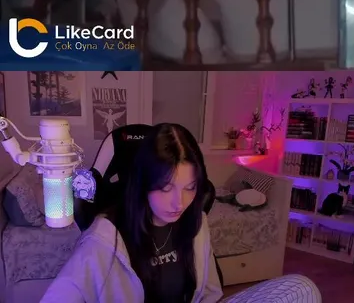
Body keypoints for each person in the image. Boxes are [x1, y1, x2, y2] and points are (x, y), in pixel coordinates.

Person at [42, 123, 322, 303]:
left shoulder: (196, 222)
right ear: (144, 184)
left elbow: (210, 293)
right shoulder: (105, 238)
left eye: (190, 188)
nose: (180, 202)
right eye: (166, 188)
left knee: (301, 288)